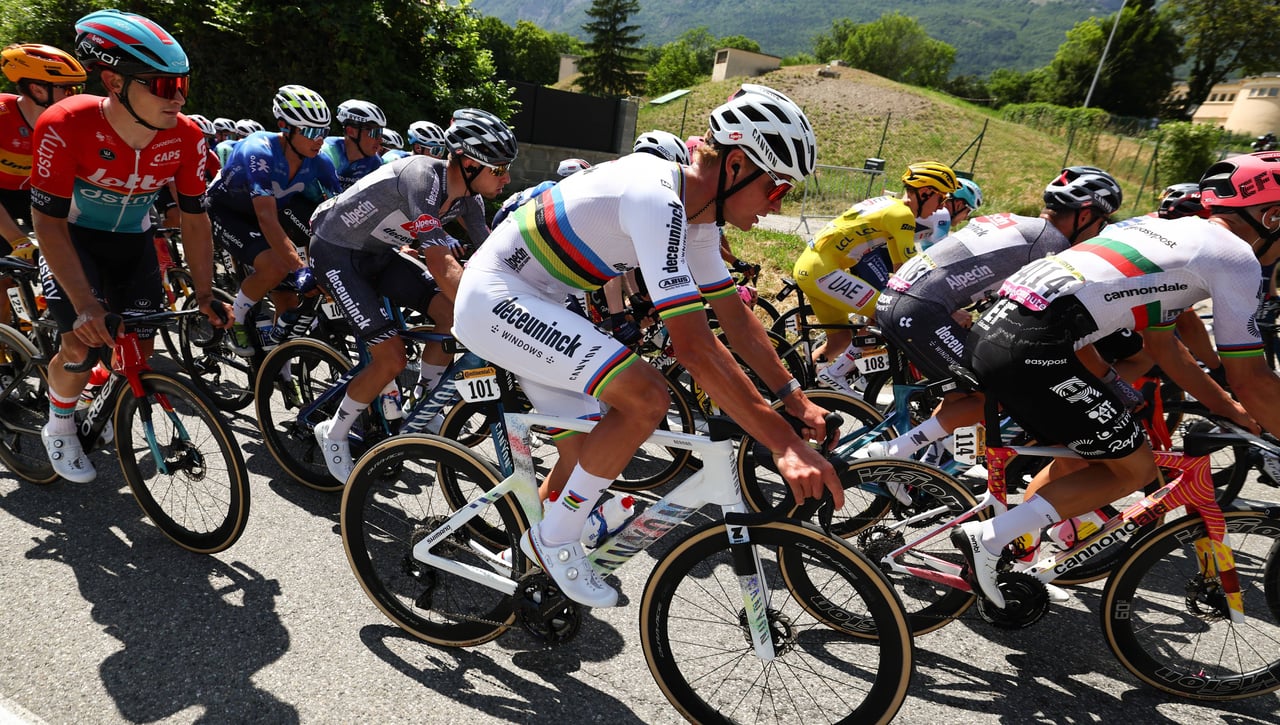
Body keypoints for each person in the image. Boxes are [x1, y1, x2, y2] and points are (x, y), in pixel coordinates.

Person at [452, 84, 843, 608]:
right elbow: (695, 348)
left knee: (585, 452)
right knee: (647, 395)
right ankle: (554, 542)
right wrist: (784, 443)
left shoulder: (697, 217)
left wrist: (793, 398)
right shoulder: (656, 196)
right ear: (733, 167)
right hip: (498, 296)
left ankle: (531, 560)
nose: (776, 207)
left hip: (542, 301)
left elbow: (735, 317)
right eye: (775, 190)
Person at [952, 152, 1280, 610]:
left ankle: (1014, 553)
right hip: (1036, 347)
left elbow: (1166, 350)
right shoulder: (1236, 257)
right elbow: (1254, 377)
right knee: (1136, 469)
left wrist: (1231, 410)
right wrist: (1252, 406)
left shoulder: (1162, 230)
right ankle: (989, 538)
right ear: (1272, 216)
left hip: (997, 331)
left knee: (1083, 453)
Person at [32, 9, 231, 482]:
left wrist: (204, 294)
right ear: (113, 81)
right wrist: (83, 303)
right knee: (80, 345)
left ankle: (105, 404)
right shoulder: (65, 122)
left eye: (182, 83)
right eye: (162, 86)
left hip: (134, 244)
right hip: (74, 240)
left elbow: (197, 222)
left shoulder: (188, 136)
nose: (178, 97)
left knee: (136, 348)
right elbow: (48, 222)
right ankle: (59, 423)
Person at [308, 108, 516, 482]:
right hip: (336, 252)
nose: (507, 178)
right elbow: (439, 260)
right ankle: (335, 432)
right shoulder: (423, 176)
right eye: (499, 169)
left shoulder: (470, 201)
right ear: (468, 164)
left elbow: (491, 259)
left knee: (451, 316)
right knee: (391, 358)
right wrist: (490, 312)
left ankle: (426, 400)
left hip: (378, 255)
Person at [869, 167, 1122, 466]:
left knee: (961, 397)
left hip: (903, 301)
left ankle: (924, 466)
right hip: (919, 309)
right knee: (990, 394)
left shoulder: (1023, 224)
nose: (1099, 232)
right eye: (1102, 223)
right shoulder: (1051, 246)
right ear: (1085, 216)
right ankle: (892, 454)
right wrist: (1114, 381)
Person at [792, 161, 959, 391]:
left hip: (811, 266)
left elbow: (901, 269)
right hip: (824, 270)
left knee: (840, 340)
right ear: (925, 192)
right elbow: (912, 268)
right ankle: (835, 373)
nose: (940, 208)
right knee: (884, 312)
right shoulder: (903, 215)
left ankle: (801, 385)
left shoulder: (891, 207)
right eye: (940, 199)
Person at [205, 84, 341, 354]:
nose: (319, 140)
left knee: (289, 297)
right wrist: (300, 268)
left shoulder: (320, 161)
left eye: (324, 132)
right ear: (285, 127)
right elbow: (267, 218)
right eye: (312, 132)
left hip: (264, 214)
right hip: (227, 212)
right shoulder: (260, 151)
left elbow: (340, 209)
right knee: (278, 265)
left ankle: (280, 366)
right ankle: (238, 319)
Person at [0, 43, 85, 261]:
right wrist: (18, 240)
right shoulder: (3, 115)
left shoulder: (70, 123)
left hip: (31, 192)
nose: (76, 96)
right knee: (7, 273)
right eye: (69, 90)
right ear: (38, 90)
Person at [322, 99, 386, 189]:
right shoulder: (327, 152)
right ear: (351, 131)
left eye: (381, 133)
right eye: (374, 133)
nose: (380, 140)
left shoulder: (375, 163)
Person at [916, 177, 982, 250]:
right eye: (969, 211)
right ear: (959, 204)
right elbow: (938, 256)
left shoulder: (934, 212)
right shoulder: (943, 215)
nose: (966, 217)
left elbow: (927, 249)